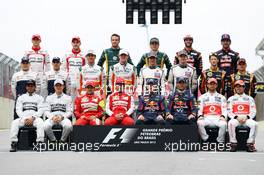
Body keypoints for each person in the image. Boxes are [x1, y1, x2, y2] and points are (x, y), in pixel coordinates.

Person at [10, 80, 45, 152]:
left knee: (41, 122)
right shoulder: (21, 97)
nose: (30, 87)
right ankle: (14, 143)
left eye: (32, 86)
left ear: (35, 87)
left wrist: (32, 118)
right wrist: (25, 118)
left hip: (35, 118)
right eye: (28, 86)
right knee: (14, 123)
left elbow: (41, 110)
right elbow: (18, 110)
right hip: (24, 118)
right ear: (26, 87)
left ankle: (40, 143)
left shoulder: (39, 98)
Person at [227, 80, 257, 152]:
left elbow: (253, 111)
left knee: (255, 124)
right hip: (236, 118)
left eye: (240, 86)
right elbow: (229, 111)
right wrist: (237, 117)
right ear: (234, 88)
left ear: (244, 88)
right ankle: (233, 143)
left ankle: (250, 144)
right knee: (231, 123)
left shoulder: (250, 98)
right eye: (237, 86)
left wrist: (246, 117)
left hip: (246, 118)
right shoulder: (231, 99)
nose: (238, 88)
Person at [197, 78, 227, 143]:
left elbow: (224, 109)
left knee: (224, 124)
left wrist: (223, 116)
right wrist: (200, 116)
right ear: (207, 85)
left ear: (216, 85)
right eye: (210, 84)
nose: (212, 85)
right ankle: (206, 140)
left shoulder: (222, 97)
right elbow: (199, 108)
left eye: (214, 84)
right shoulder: (201, 97)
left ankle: (220, 142)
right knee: (199, 123)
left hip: (217, 118)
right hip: (206, 117)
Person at [215, 34, 240, 98]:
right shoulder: (216, 54)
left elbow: (238, 69)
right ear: (221, 42)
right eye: (224, 41)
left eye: (227, 41)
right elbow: (215, 67)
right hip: (220, 80)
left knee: (232, 99)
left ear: (230, 42)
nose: (225, 42)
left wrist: (233, 77)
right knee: (219, 99)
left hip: (231, 80)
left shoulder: (235, 54)